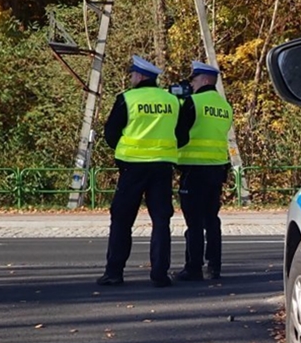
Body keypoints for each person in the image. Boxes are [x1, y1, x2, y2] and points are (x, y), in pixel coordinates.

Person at [96, 55, 189, 288]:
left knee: (122, 220)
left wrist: (125, 149)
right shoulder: (172, 101)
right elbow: (183, 136)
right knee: (160, 220)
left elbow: (110, 133)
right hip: (162, 167)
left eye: (132, 74)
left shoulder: (127, 99)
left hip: (132, 167)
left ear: (140, 76)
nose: (131, 78)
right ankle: (160, 274)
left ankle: (114, 272)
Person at [174, 61, 234, 281]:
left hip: (193, 168)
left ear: (206, 80)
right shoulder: (225, 106)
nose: (192, 83)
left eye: (195, 79)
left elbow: (179, 132)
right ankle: (214, 265)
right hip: (217, 168)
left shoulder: (193, 103)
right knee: (212, 219)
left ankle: (194, 267)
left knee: (194, 222)